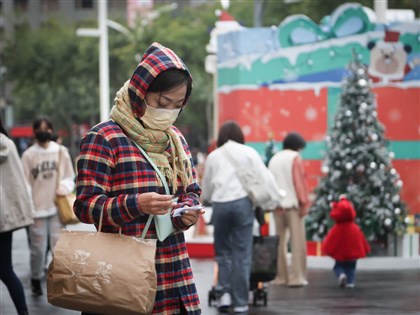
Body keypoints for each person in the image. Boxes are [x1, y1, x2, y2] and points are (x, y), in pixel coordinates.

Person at [74, 42, 203, 315]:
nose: (167, 111)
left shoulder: (175, 139)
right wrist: (136, 204)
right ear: (140, 91)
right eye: (161, 102)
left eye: (177, 106)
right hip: (123, 276)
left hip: (172, 272)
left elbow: (191, 190)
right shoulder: (105, 138)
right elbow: (85, 207)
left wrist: (187, 212)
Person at [201, 120, 270, 314]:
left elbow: (207, 187)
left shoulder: (214, 156)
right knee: (242, 254)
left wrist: (207, 199)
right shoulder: (249, 153)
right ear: (240, 136)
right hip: (242, 204)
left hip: (221, 205)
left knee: (223, 252)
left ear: (221, 137)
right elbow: (262, 178)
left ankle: (223, 295)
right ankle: (240, 302)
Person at [21, 116, 75, 296]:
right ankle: (36, 278)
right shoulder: (28, 155)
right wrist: (28, 206)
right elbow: (25, 183)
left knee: (58, 247)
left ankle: (59, 281)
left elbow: (69, 176)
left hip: (57, 208)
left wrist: (64, 187)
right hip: (36, 208)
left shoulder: (61, 151)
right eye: (40, 128)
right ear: (34, 131)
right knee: (37, 249)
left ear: (51, 130)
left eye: (47, 128)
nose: (43, 131)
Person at [0, 116, 34, 315]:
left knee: (5, 269)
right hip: (5, 218)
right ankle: (23, 312)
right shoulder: (9, 145)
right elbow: (17, 184)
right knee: (6, 269)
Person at [268, 132, 309, 287]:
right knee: (297, 243)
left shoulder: (274, 159)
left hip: (277, 206)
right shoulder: (295, 158)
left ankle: (281, 277)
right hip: (293, 205)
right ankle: (297, 277)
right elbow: (299, 182)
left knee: (279, 243)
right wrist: (304, 203)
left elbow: (270, 183)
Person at [322, 195, 370, 288]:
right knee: (351, 268)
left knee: (338, 267)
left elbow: (331, 241)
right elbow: (361, 240)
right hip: (353, 255)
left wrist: (326, 249)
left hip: (340, 256)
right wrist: (365, 249)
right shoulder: (355, 228)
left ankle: (341, 275)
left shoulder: (337, 229)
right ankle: (350, 282)